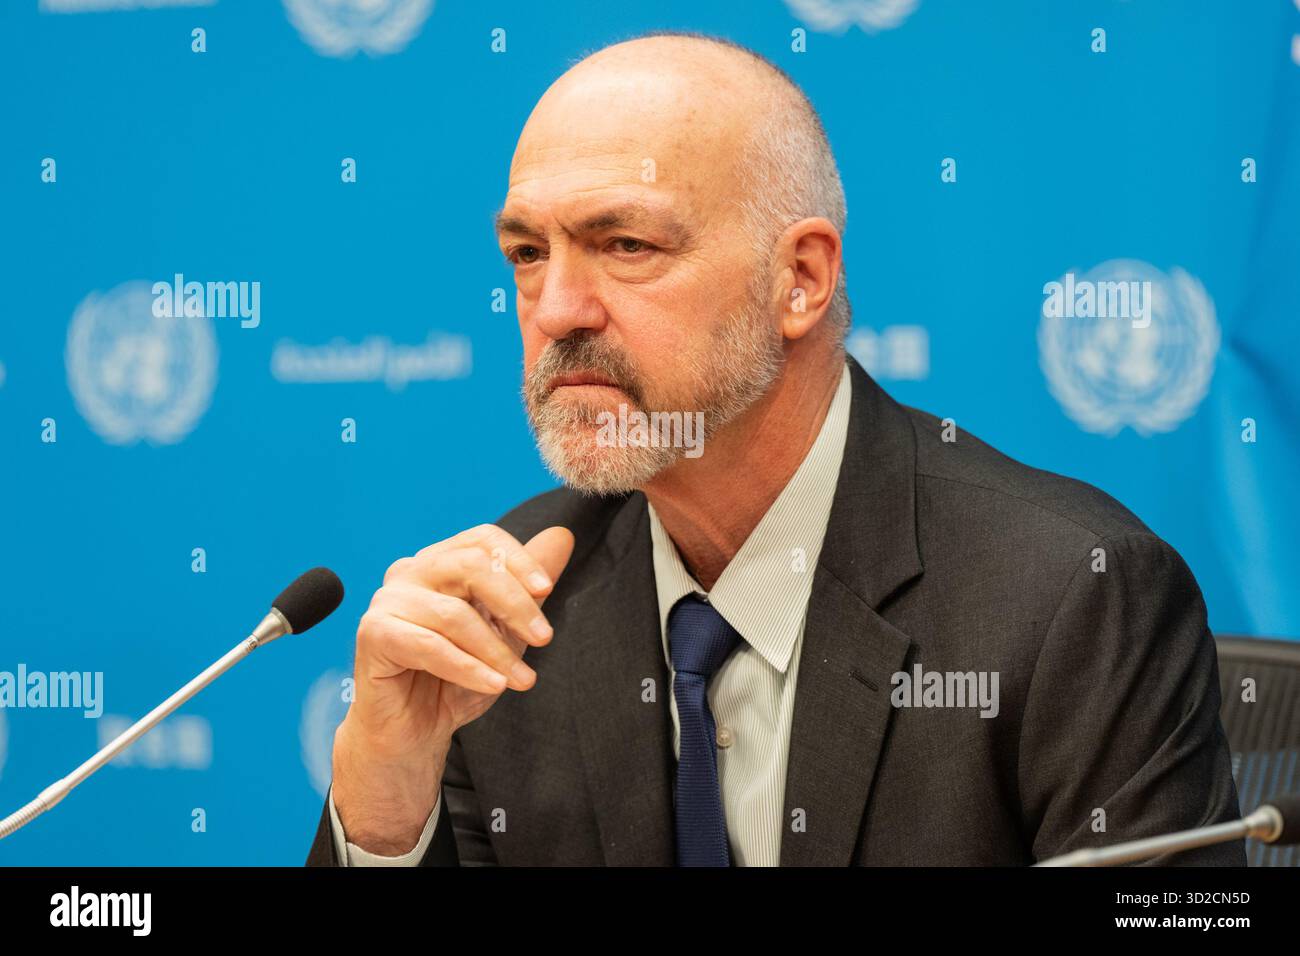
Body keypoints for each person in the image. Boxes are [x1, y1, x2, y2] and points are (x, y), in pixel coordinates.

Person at [306, 32, 1243, 866]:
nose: (555, 311)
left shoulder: (1068, 595)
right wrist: (386, 809)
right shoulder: (510, 613)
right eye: (527, 254)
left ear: (798, 280)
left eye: (625, 244)